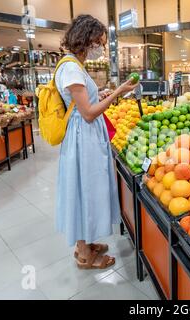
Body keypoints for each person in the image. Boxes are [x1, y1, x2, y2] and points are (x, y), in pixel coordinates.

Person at [56, 14, 138, 269]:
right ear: (85, 38)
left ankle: (86, 243)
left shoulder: (75, 66)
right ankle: (83, 253)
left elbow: (85, 102)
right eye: (98, 43)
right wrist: (116, 92)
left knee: (86, 189)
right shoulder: (70, 67)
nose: (99, 49)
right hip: (83, 138)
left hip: (87, 135)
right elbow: (89, 113)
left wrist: (101, 93)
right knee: (83, 190)